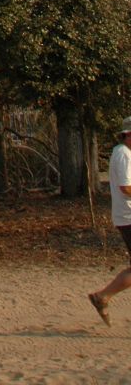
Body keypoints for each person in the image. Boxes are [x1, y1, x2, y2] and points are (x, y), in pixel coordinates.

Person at [89, 117, 131, 325]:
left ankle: (102, 297)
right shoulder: (124, 155)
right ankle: (102, 296)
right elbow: (126, 187)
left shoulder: (122, 152)